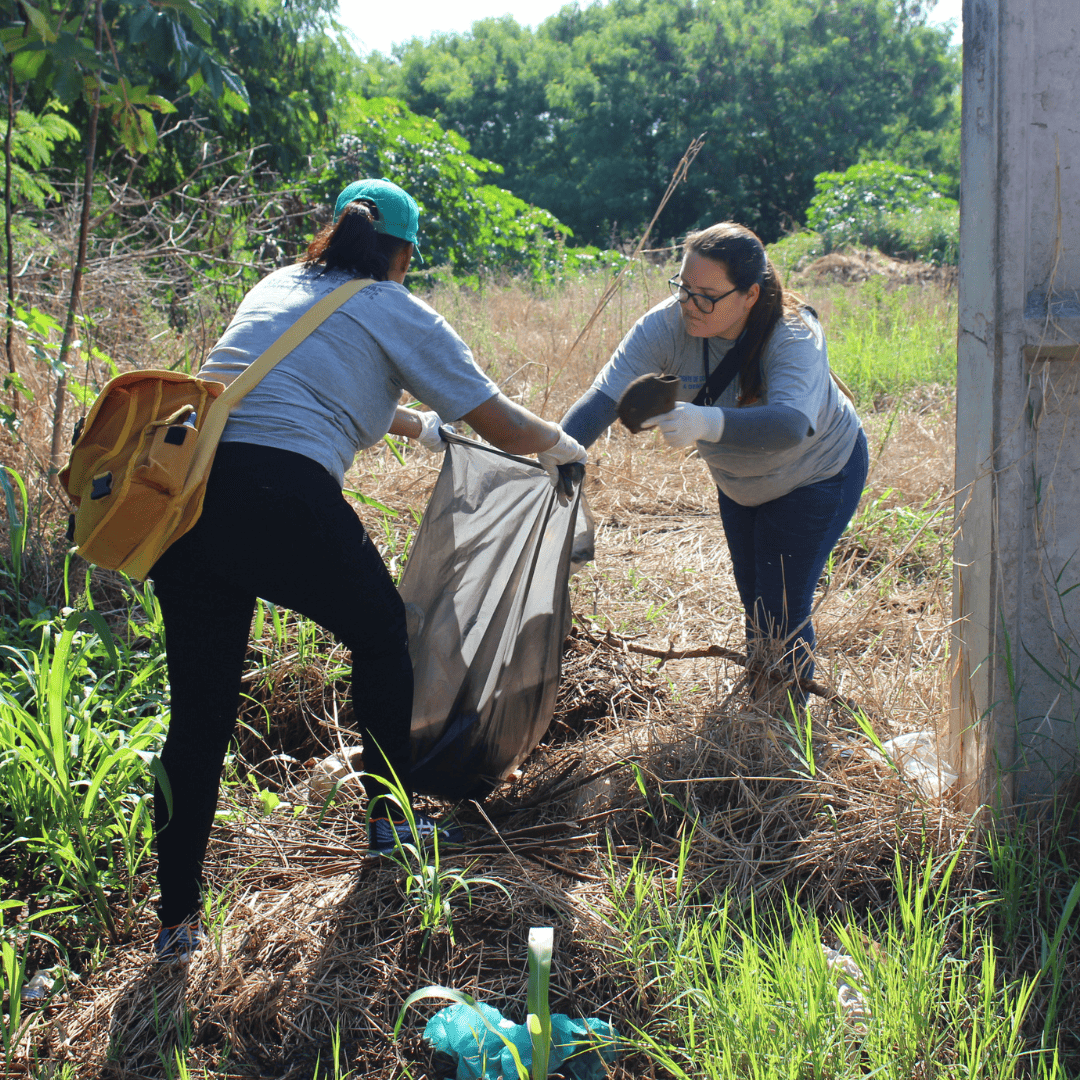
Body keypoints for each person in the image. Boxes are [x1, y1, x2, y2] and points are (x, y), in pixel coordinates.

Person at [148, 178, 586, 962]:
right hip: (282, 496)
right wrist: (563, 445)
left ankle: (177, 923)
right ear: (403, 253)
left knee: (200, 718)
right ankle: (388, 823)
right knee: (385, 634)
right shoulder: (392, 304)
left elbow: (309, 376)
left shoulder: (279, 285)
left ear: (335, 233)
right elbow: (500, 422)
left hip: (189, 503)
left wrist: (416, 426)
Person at [560, 221, 867, 704]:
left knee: (782, 610)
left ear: (749, 295)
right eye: (683, 287)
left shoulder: (793, 333)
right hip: (740, 482)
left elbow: (790, 425)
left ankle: (783, 734)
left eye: (706, 295)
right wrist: (558, 459)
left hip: (817, 474)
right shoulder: (667, 324)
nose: (688, 304)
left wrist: (706, 423)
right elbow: (602, 400)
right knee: (756, 603)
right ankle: (762, 711)